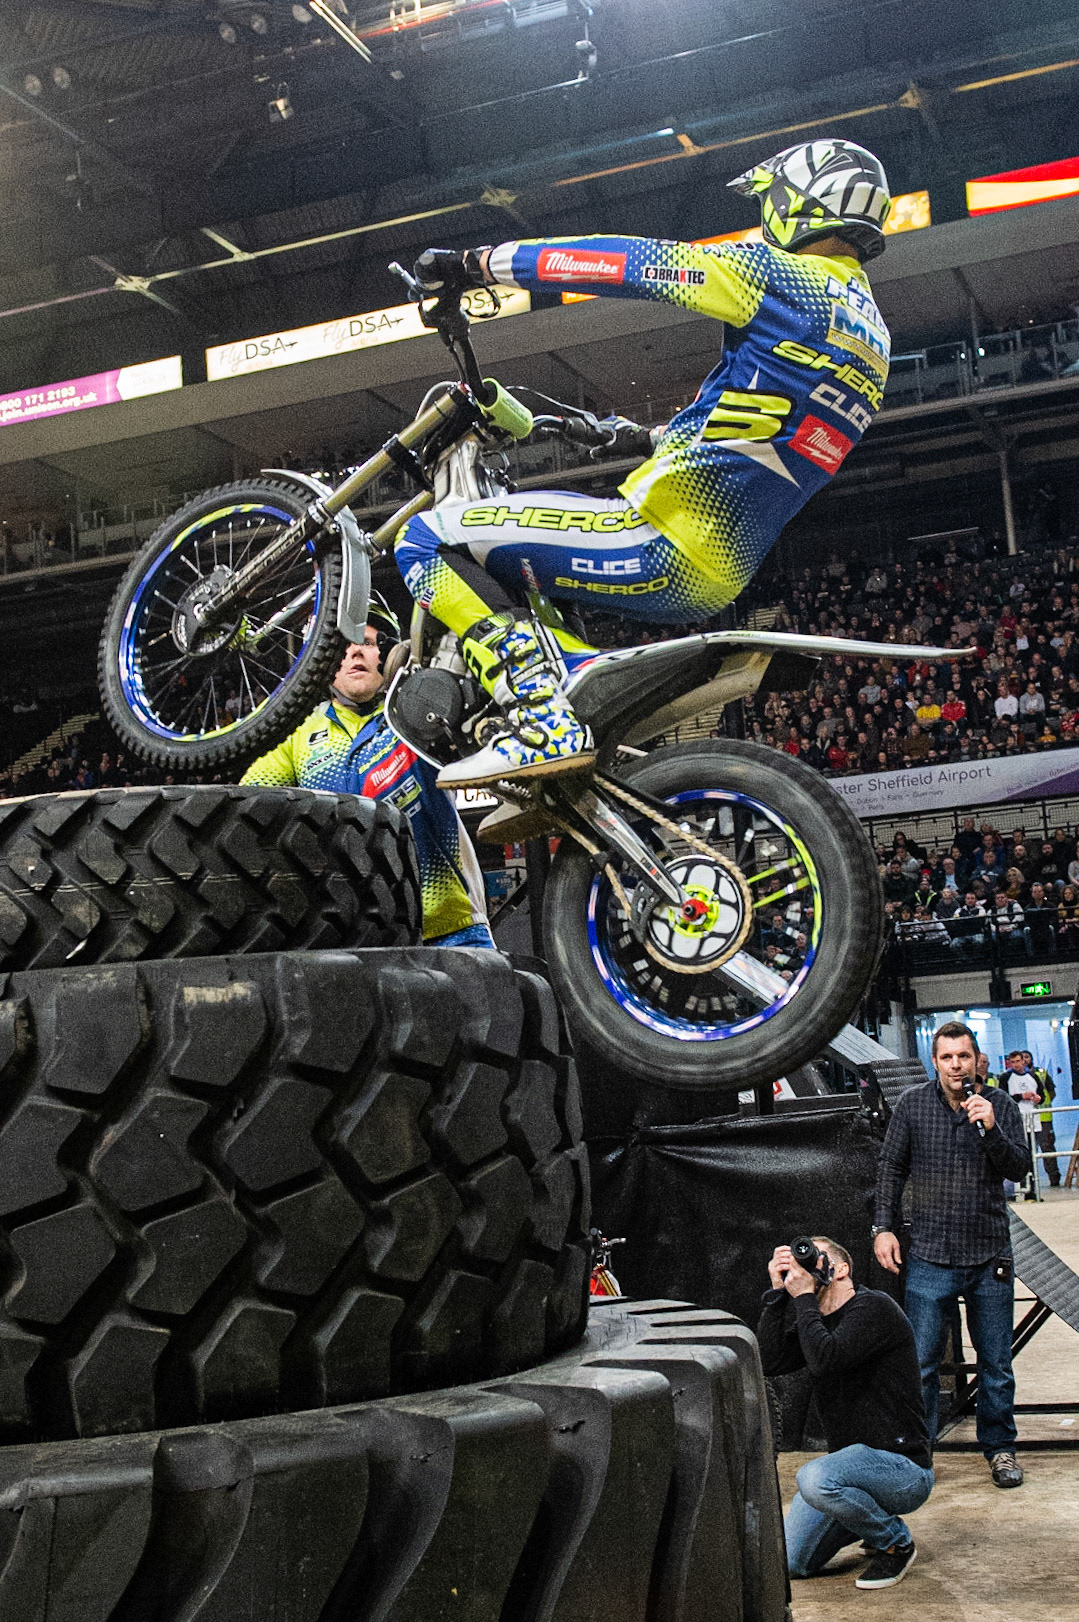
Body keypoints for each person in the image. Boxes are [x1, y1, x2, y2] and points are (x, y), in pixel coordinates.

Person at [397, 140, 893, 785]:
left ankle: (542, 714)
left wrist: (477, 263)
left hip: (655, 538)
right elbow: (767, 423)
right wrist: (638, 437)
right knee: (515, 570)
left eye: (770, 200)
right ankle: (556, 713)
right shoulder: (872, 335)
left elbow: (621, 263)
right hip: (718, 571)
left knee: (426, 539)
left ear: (796, 203)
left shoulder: (779, 276)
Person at [241, 595, 494, 949]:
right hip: (350, 939)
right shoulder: (298, 737)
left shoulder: (418, 711)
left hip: (449, 927)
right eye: (343, 646)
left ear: (389, 655)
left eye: (368, 642)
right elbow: (245, 804)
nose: (355, 652)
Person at [873, 1021, 1031, 1488]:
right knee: (921, 1361)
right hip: (929, 1253)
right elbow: (890, 1167)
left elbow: (1018, 1168)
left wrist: (991, 1128)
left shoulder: (998, 1104)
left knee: (996, 1362)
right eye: (947, 1057)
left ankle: (1000, 1449)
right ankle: (919, 1455)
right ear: (935, 1061)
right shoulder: (912, 1105)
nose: (956, 1065)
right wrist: (883, 1227)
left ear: (976, 1059)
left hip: (988, 1254)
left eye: (963, 1056)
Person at [758, 1236, 932, 1589]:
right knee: (791, 1562)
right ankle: (868, 1518)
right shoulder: (816, 1326)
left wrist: (804, 1298)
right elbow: (769, 1361)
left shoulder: (874, 1309)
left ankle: (895, 1541)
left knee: (814, 1479)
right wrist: (778, 1296)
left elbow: (826, 1360)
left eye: (814, 1260)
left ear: (840, 1270)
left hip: (902, 1469)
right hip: (852, 1472)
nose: (805, 1270)